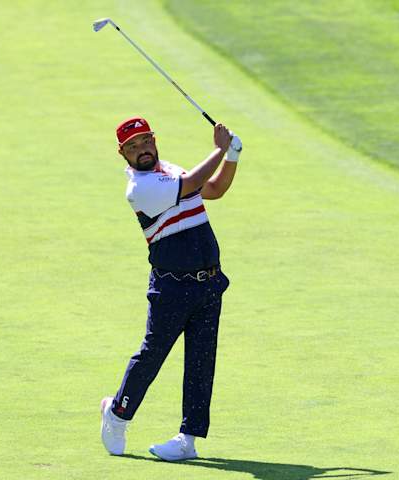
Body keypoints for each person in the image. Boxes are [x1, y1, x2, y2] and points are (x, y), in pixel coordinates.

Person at [100, 116, 242, 461]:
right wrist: (220, 149)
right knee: (152, 355)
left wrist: (232, 156)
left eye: (145, 141)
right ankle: (118, 414)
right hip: (171, 287)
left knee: (201, 362)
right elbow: (195, 181)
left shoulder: (168, 170)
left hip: (208, 283)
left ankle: (187, 440)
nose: (141, 150)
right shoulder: (140, 188)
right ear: (123, 154)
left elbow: (214, 189)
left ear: (154, 140)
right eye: (132, 147)